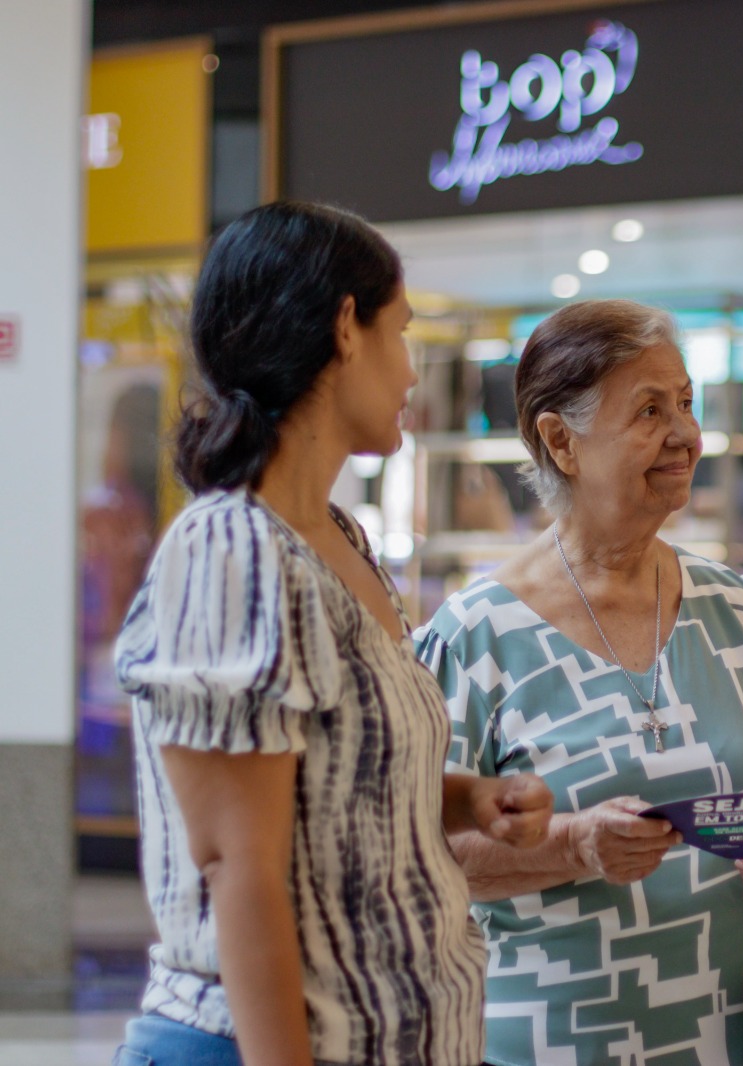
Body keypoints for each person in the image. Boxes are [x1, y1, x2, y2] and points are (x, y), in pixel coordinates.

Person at [112, 201, 555, 1066]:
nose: (411, 373)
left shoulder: (337, 539)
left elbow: (329, 790)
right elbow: (242, 876)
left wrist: (468, 799)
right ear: (346, 329)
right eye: (403, 332)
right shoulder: (229, 548)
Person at [416, 298, 743, 1066]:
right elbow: (422, 853)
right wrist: (573, 846)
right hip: (547, 1042)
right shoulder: (474, 637)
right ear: (560, 441)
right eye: (647, 410)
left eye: (686, 404)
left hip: (736, 1038)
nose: (685, 435)